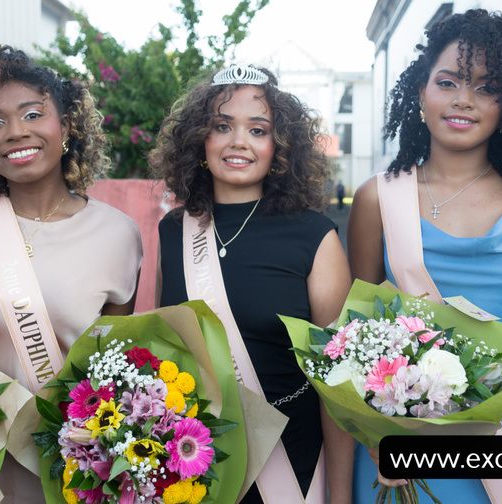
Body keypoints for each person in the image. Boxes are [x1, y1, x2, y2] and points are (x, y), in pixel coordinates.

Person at [346, 9, 502, 503]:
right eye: (448, 81)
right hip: (401, 457)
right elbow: (351, 337)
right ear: (421, 93)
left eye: (486, 87)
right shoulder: (377, 199)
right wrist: (371, 431)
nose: (462, 100)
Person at [0, 44, 143, 502]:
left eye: (34, 114)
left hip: (70, 465)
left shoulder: (118, 234)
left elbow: (113, 368)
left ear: (68, 126)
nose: (15, 133)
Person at [150, 65, 353, 503]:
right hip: (194, 469)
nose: (238, 141)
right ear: (200, 142)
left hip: (291, 466)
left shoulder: (315, 236)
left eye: (257, 130)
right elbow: (160, 354)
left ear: (279, 148)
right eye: (221, 126)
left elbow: (338, 385)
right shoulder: (173, 232)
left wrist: (340, 497)